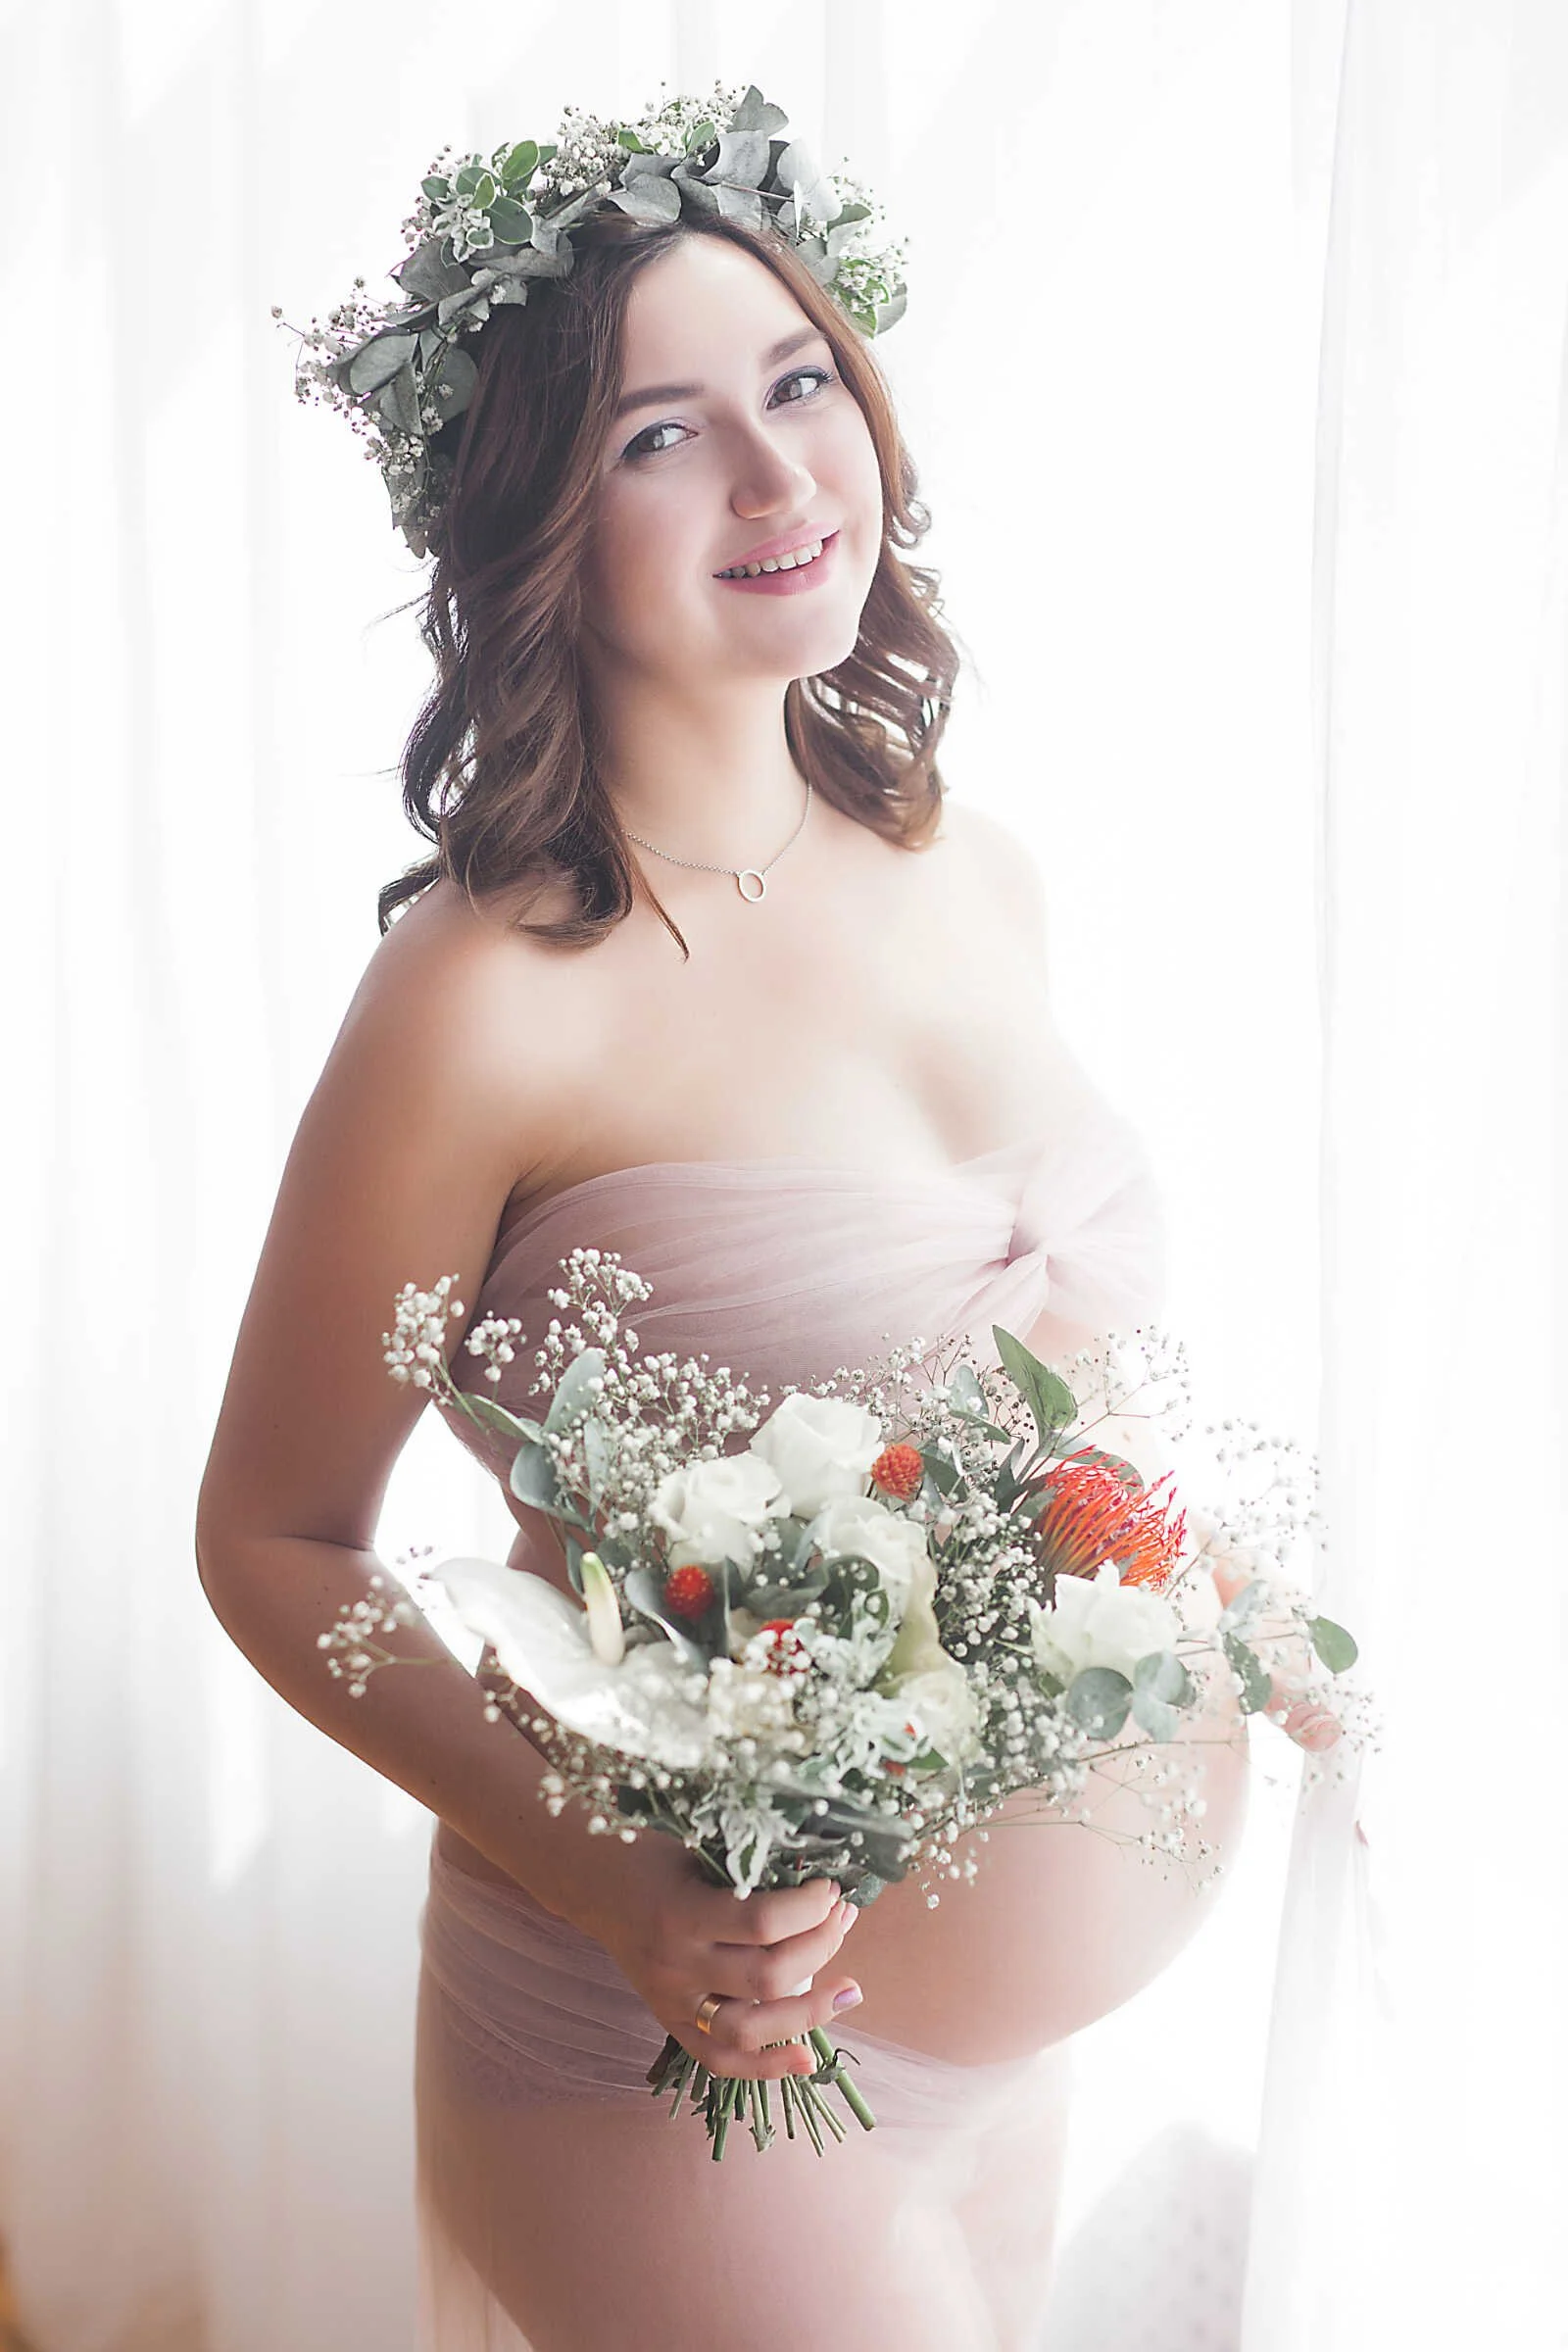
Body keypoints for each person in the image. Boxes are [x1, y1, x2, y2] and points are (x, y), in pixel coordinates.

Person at [198, 98, 1266, 2351]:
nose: (784, 483)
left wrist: (1202, 1596)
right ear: (530, 530)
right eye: (664, 437)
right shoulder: (480, 1010)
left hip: (1002, 2044)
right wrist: (621, 1892)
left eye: (799, 387)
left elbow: (990, 1394)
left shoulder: (962, 860)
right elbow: (275, 1541)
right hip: (691, 2063)